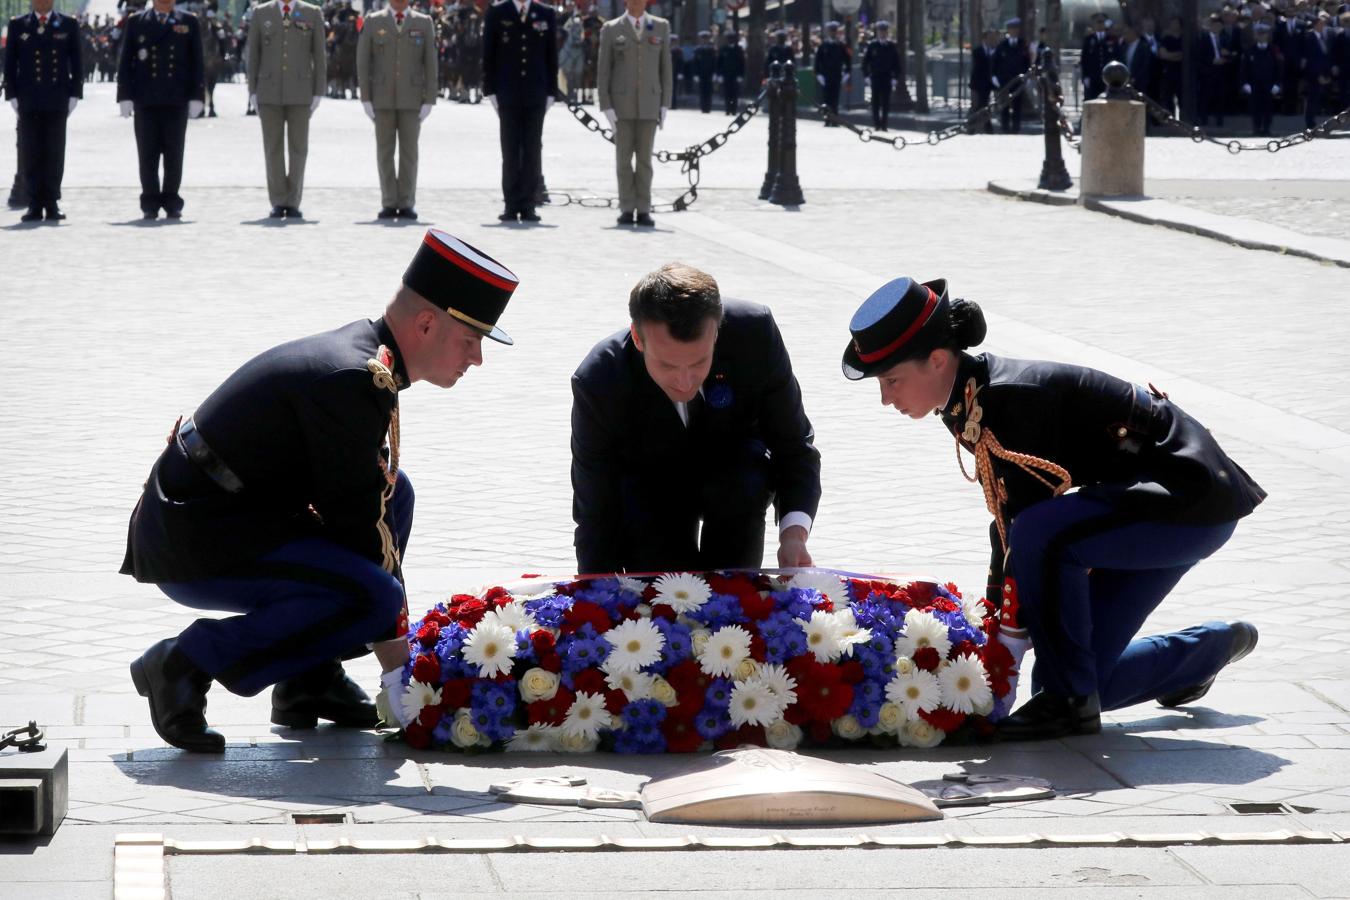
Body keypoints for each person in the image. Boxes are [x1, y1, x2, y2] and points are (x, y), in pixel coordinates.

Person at [121, 230, 519, 753]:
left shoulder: (366, 359)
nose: (477, 359)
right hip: (194, 541)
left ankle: (309, 681)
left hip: (227, 516)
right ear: (426, 323)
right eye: (472, 340)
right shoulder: (353, 379)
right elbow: (357, 533)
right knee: (371, 595)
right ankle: (184, 661)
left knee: (396, 498)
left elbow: (365, 504)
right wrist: (403, 675)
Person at [841, 276, 1264, 741]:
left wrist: (1002, 657)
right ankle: (1211, 649)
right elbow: (1004, 525)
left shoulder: (1009, 398)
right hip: (1141, 509)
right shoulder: (969, 397)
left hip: (1186, 500)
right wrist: (991, 629)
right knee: (1079, 679)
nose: (886, 398)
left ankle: (1068, 707)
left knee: (1043, 547)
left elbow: (1029, 529)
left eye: (892, 380)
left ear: (937, 360)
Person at [572, 262, 821, 574]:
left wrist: (793, 536)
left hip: (736, 480)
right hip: (651, 487)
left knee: (742, 492)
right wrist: (595, 595)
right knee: (662, 590)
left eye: (699, 361)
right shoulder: (600, 379)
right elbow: (596, 505)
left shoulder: (755, 334)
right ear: (637, 338)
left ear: (716, 332)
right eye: (667, 366)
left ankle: (734, 591)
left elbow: (794, 444)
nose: (685, 381)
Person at [116, 0, 205, 220]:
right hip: (146, 98)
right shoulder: (137, 21)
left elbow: (197, 62)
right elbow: (126, 60)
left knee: (174, 153)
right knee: (147, 153)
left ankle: (172, 199)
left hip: (177, 98)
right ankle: (150, 200)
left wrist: (197, 96)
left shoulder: (189, 21)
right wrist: (124, 96)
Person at [357, 0, 438, 221]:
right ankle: (389, 201)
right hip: (382, 98)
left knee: (409, 153)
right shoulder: (374, 21)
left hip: (412, 99)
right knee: (385, 152)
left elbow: (431, 63)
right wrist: (365, 97)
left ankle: (407, 201)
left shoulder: (424, 22)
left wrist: (430, 98)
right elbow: (363, 61)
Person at [4, 0, 83, 223]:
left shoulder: (68, 24)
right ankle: (34, 203)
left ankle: (52, 201)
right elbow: (10, 62)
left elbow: (77, 61)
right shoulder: (18, 25)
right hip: (28, 99)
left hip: (57, 98)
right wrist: (12, 94)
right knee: (31, 152)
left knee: (55, 151)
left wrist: (75, 93)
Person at [246, 0, 325, 219]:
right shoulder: (261, 13)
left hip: (301, 91)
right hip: (268, 91)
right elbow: (254, 54)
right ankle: (278, 200)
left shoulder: (312, 12)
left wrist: (318, 90)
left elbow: (319, 55)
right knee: (273, 148)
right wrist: (252, 89)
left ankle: (293, 200)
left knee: (298, 148)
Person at [482, 0, 558, 223]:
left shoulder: (545, 13)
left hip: (536, 92)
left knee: (533, 150)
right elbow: (489, 53)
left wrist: (551, 91)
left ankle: (528, 204)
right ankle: (511, 203)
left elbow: (550, 55)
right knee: (510, 150)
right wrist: (490, 90)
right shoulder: (498, 12)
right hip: (508, 93)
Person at [597, 0, 671, 228]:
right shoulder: (611, 28)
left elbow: (665, 67)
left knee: (645, 161)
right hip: (621, 106)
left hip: (649, 104)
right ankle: (627, 207)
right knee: (623, 160)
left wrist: (665, 103)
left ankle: (644, 208)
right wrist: (606, 105)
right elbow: (603, 70)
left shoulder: (660, 26)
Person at [1241, 21, 1283, 136]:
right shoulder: (1250, 50)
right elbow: (1244, 69)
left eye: (1264, 33)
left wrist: (1277, 84)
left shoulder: (1273, 49)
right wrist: (1245, 83)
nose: (1261, 36)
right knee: (1255, 108)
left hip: (1269, 84)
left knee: (1268, 108)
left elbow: (1278, 68)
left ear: (1267, 35)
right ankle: (1256, 128)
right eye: (1259, 34)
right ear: (1256, 35)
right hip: (1254, 84)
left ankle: (1266, 128)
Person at [992, 17, 1029, 133]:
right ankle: (1005, 128)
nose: (1014, 31)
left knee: (1017, 105)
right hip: (1005, 80)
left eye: (1016, 28)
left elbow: (1026, 62)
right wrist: (994, 76)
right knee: (1004, 105)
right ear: (1008, 30)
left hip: (1018, 79)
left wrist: (1027, 76)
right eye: (1011, 29)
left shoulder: (1023, 44)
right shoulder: (1002, 45)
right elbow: (995, 62)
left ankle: (1016, 129)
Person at [861, 20, 899, 130]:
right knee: (875, 102)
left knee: (886, 103)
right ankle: (877, 124)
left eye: (884, 31)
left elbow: (897, 64)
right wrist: (866, 76)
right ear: (877, 32)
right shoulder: (872, 45)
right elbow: (865, 63)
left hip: (887, 77)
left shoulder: (891, 46)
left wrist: (895, 78)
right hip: (875, 77)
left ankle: (884, 124)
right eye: (881, 31)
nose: (883, 33)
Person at [1301, 12, 1333, 128]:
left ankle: (1315, 121)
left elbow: (1325, 56)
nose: (1322, 26)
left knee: (1319, 99)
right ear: (1315, 25)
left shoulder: (1323, 37)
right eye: (1320, 24)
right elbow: (1310, 59)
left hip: (1323, 73)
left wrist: (1326, 73)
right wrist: (1317, 75)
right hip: (1313, 75)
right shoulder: (1309, 37)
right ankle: (1309, 123)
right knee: (1311, 99)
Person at [814, 20, 849, 123]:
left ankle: (835, 120)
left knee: (835, 99)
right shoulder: (823, 45)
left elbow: (847, 61)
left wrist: (847, 74)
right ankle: (827, 119)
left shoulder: (841, 45)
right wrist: (819, 75)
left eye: (834, 31)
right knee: (826, 99)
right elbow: (817, 61)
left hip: (837, 75)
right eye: (831, 31)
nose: (833, 33)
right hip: (825, 76)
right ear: (828, 32)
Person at [1079, 12, 1114, 100]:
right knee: (1092, 101)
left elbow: (1116, 57)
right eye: (1098, 22)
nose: (1100, 24)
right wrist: (1085, 77)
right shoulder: (1089, 39)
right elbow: (1084, 60)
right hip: (1093, 78)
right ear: (1094, 24)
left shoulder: (1112, 39)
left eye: (1102, 22)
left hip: (1108, 79)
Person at [969, 28, 996, 133]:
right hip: (978, 83)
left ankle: (986, 128)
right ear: (984, 39)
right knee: (978, 106)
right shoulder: (977, 51)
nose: (991, 40)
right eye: (989, 38)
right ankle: (974, 127)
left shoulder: (994, 51)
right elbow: (979, 66)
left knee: (984, 106)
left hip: (989, 84)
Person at [716, 29, 744, 114]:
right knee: (727, 92)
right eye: (728, 38)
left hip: (735, 75)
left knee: (734, 93)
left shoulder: (738, 49)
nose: (730, 40)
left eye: (731, 38)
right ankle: (727, 109)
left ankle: (734, 110)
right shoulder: (723, 49)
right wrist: (719, 74)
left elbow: (742, 63)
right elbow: (719, 63)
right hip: (726, 74)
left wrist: (741, 75)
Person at [692, 28, 716, 113]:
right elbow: (695, 63)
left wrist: (715, 73)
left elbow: (715, 62)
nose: (705, 40)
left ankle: (708, 107)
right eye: (703, 38)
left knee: (709, 91)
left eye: (706, 38)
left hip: (710, 73)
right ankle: (703, 107)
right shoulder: (698, 50)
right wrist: (695, 74)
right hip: (701, 73)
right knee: (702, 91)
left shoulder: (712, 50)